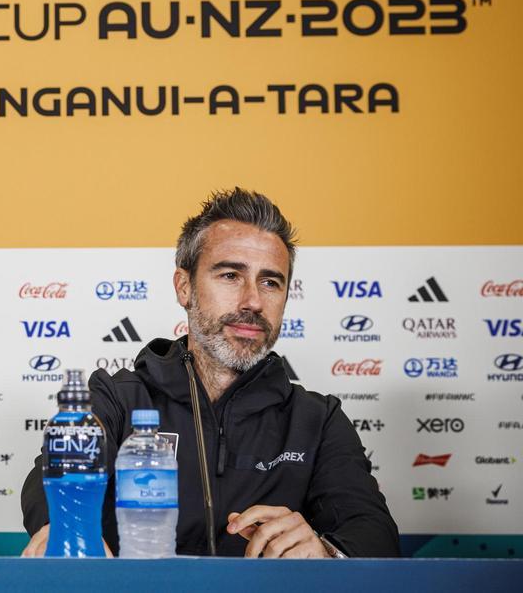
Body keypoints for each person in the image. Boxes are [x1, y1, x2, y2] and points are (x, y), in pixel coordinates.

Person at [20, 188, 399, 558]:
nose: (252, 301)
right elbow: (50, 480)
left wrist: (325, 552)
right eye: (230, 275)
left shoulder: (318, 419)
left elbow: (374, 534)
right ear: (184, 287)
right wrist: (62, 529)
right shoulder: (118, 397)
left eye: (270, 282)